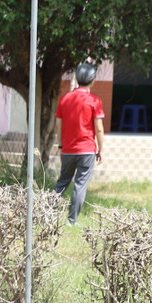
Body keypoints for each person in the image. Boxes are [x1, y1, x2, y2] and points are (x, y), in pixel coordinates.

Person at [53, 63, 105, 225]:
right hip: (87, 150)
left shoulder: (65, 99)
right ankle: (71, 220)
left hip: (68, 150)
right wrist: (100, 149)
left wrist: (61, 145)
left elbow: (58, 125)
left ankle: (46, 212)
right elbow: (99, 128)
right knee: (80, 185)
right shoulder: (94, 101)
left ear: (76, 78)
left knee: (62, 182)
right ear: (93, 81)